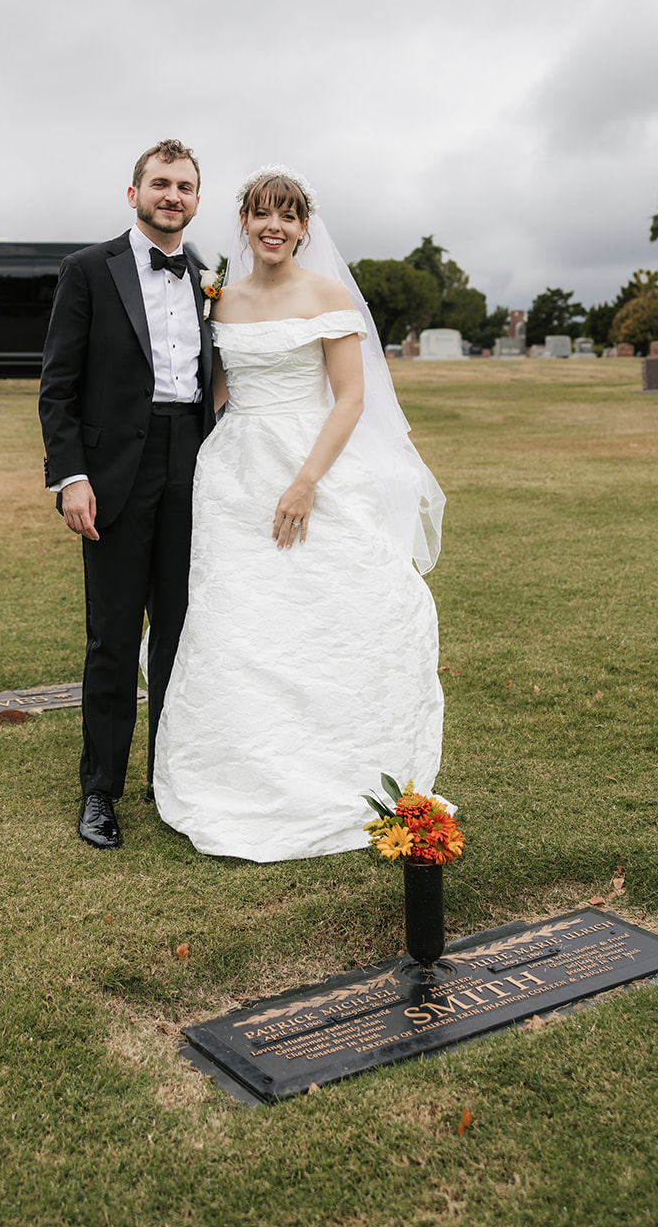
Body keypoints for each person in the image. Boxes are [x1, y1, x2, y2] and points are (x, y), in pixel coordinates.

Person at [153, 168, 446, 862]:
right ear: (244, 223)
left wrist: (305, 483)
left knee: (328, 614)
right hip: (233, 474)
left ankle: (338, 761)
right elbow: (215, 392)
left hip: (311, 465)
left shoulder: (326, 294)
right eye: (261, 215)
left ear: (304, 227)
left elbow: (349, 399)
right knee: (236, 618)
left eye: (287, 216)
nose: (274, 227)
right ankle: (241, 768)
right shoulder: (221, 299)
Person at [38, 139, 215, 851]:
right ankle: (99, 792)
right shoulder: (87, 270)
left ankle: (168, 780)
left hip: (193, 467)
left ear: (197, 200)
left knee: (180, 634)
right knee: (113, 637)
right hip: (114, 475)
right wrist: (70, 477)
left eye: (185, 186)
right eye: (161, 183)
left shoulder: (211, 274)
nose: (172, 196)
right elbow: (58, 386)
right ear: (134, 191)